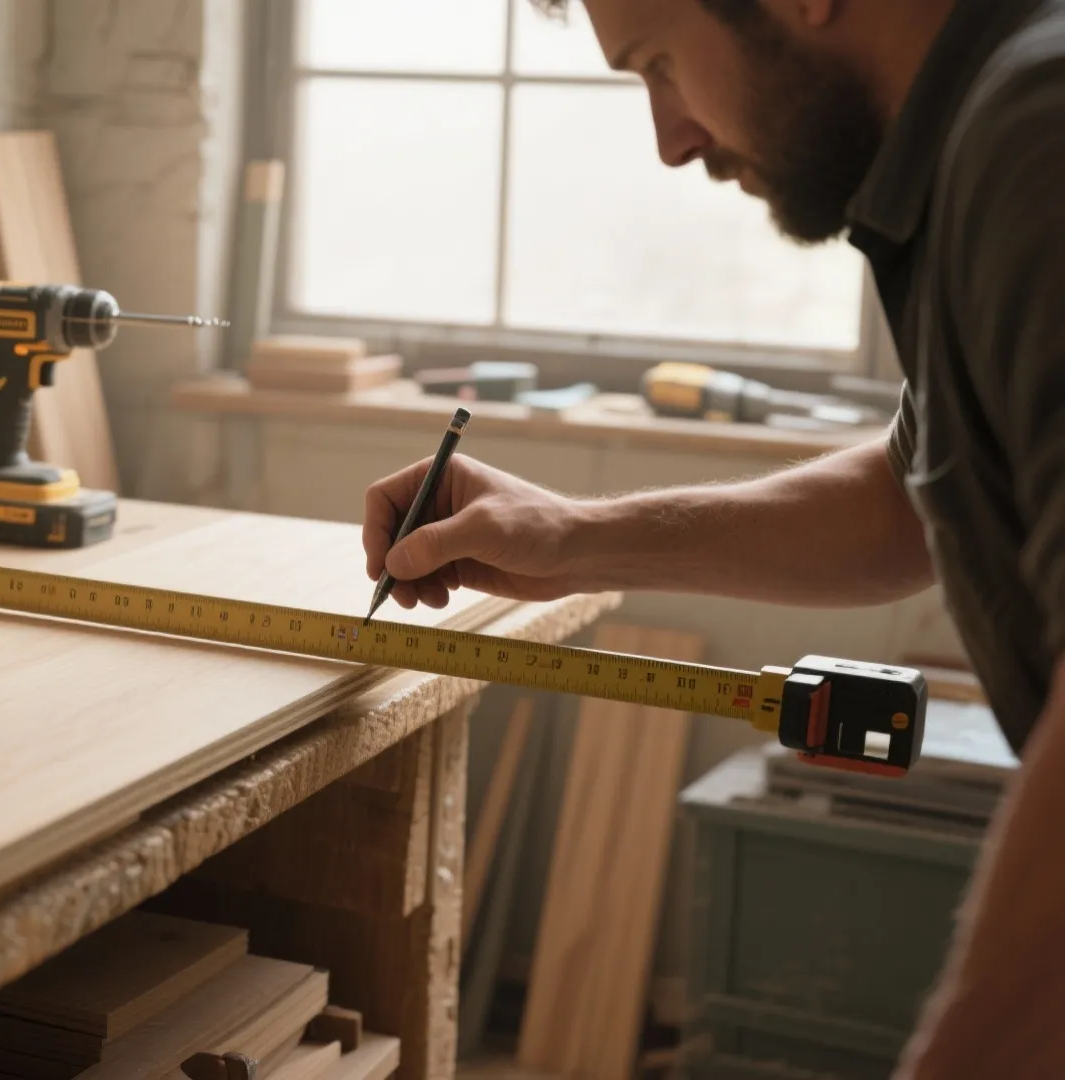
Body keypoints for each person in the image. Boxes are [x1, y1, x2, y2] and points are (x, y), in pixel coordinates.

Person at [361, 0, 1065, 1073]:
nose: (671, 139)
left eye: (658, 63)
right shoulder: (972, 144)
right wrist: (567, 535)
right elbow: (912, 499)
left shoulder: (1036, 133)